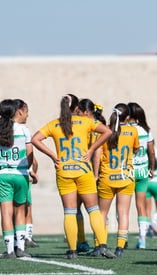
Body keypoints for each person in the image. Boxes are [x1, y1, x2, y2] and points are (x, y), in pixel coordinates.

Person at [31, 94, 115, 259]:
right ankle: (103, 246)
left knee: (69, 212)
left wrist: (53, 156)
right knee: (93, 210)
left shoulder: (55, 123)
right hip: (83, 169)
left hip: (64, 170)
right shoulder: (86, 121)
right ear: (77, 108)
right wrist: (91, 150)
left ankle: (72, 251)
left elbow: (35, 139)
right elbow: (108, 131)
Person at [0, 99, 33, 258]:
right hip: (21, 174)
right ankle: (20, 248)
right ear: (15, 112)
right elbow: (30, 154)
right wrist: (28, 170)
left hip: (2, 174)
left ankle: (9, 251)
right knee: (20, 212)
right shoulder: (24, 129)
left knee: (6, 213)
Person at [97, 104, 140, 257]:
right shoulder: (133, 130)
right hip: (126, 177)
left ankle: (99, 246)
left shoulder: (104, 129)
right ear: (127, 117)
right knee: (123, 214)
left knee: (101, 213)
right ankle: (120, 248)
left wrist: (96, 174)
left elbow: (97, 153)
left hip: (107, 177)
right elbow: (136, 149)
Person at [76, 99, 107, 253]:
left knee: (85, 208)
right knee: (97, 210)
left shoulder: (89, 126)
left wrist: (95, 174)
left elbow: (97, 153)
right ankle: (99, 244)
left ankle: (92, 243)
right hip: (98, 171)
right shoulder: (95, 125)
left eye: (79, 112)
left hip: (88, 172)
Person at [13, 99, 39, 248]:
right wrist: (31, 171)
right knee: (23, 208)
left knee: (12, 210)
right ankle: (23, 240)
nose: (28, 115)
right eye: (27, 111)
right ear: (19, 112)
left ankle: (15, 243)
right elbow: (32, 158)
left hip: (6, 175)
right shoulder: (23, 131)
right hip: (20, 175)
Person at [128, 102, 155, 249]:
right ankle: (142, 239)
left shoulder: (125, 129)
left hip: (128, 170)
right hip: (143, 169)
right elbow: (151, 151)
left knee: (123, 205)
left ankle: (123, 238)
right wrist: (151, 168)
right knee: (141, 205)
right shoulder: (146, 130)